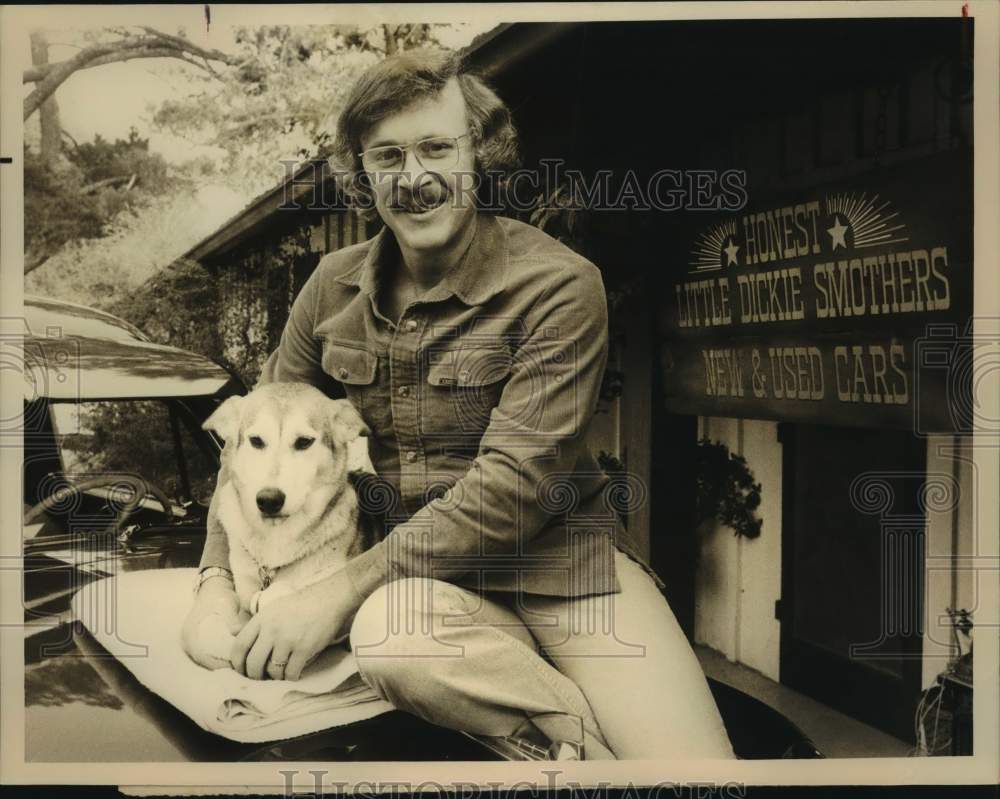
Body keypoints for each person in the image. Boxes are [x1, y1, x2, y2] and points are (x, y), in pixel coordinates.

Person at [182, 48, 734, 760]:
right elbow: (250, 440)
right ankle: (585, 749)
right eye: (388, 157)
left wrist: (334, 593)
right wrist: (216, 580)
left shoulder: (560, 285)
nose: (414, 178)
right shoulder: (329, 287)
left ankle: (598, 756)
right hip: (414, 591)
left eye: (436, 148)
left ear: (481, 153)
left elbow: (511, 492)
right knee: (391, 633)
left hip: (562, 570)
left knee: (697, 770)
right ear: (362, 174)